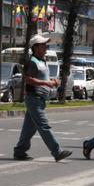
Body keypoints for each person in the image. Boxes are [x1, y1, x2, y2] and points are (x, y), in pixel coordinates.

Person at [13, 34, 73, 162]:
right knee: (44, 126)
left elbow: (40, 78)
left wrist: (52, 81)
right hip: (34, 98)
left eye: (46, 45)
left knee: (29, 129)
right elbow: (28, 80)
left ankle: (20, 151)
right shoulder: (32, 62)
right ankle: (57, 152)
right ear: (35, 48)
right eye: (43, 45)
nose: (46, 47)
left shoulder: (42, 61)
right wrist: (47, 83)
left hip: (39, 99)